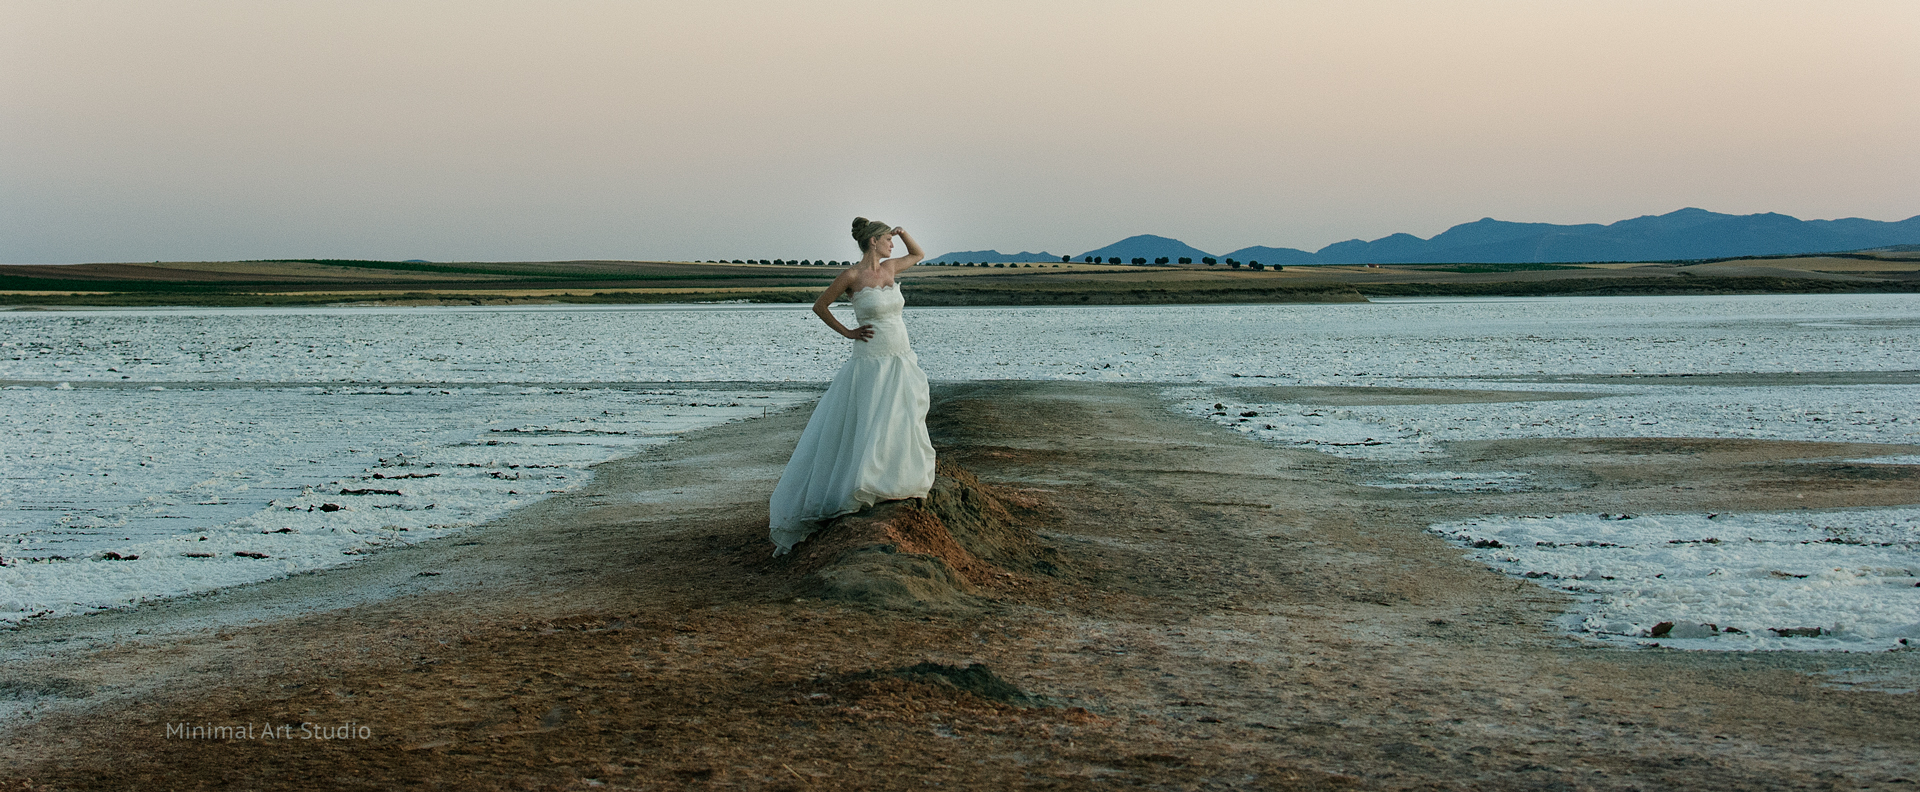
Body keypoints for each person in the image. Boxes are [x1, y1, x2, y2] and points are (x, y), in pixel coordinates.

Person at [768, 217, 936, 555]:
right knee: (870, 415)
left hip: (899, 354)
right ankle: (863, 483)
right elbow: (820, 306)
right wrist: (848, 332)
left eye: (892, 239)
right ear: (873, 241)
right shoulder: (852, 277)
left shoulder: (890, 268)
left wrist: (903, 234)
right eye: (888, 239)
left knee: (901, 413)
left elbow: (918, 253)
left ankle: (894, 476)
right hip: (870, 356)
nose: (892, 244)